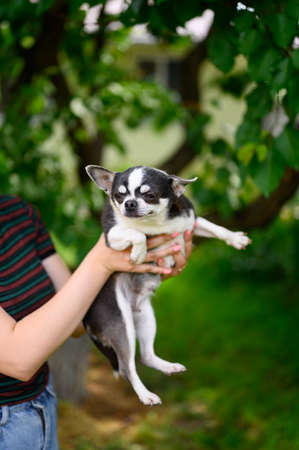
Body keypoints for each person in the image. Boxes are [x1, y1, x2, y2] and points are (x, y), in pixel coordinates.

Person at [0, 195, 193, 449]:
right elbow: (18, 358)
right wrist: (101, 261)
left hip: (39, 406)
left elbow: (76, 320)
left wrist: (139, 270)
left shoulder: (16, 214)